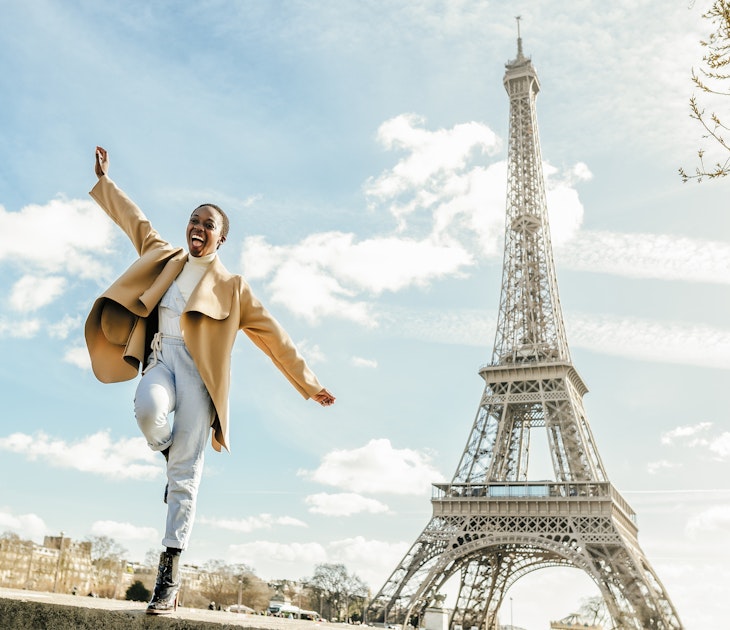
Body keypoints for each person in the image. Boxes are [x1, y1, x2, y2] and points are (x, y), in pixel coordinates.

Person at [85, 146, 335, 615]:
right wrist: (105, 182)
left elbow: (273, 336)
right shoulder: (164, 257)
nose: (197, 228)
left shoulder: (233, 287)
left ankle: (169, 574)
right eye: (193, 221)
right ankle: (165, 450)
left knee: (186, 479)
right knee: (146, 410)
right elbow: (134, 221)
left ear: (221, 239)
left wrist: (308, 383)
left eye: (207, 225)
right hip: (161, 359)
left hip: (201, 378)